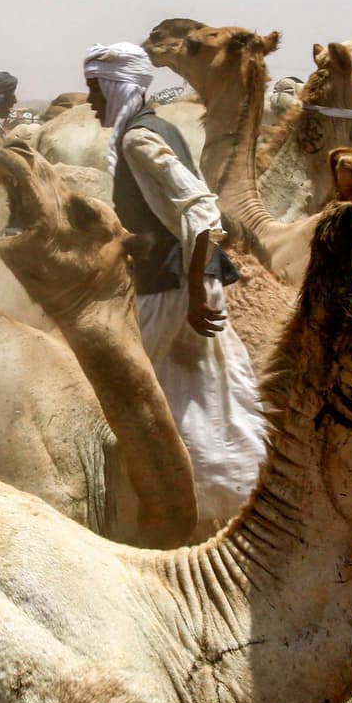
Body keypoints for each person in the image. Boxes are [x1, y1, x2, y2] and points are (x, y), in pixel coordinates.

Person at [86, 42, 267, 523]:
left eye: (95, 90)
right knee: (205, 398)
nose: (90, 103)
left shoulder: (138, 140)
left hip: (171, 290)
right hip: (176, 284)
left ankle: (196, 511)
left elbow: (202, 211)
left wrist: (189, 292)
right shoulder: (155, 127)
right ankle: (223, 508)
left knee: (165, 399)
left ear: (115, 86)